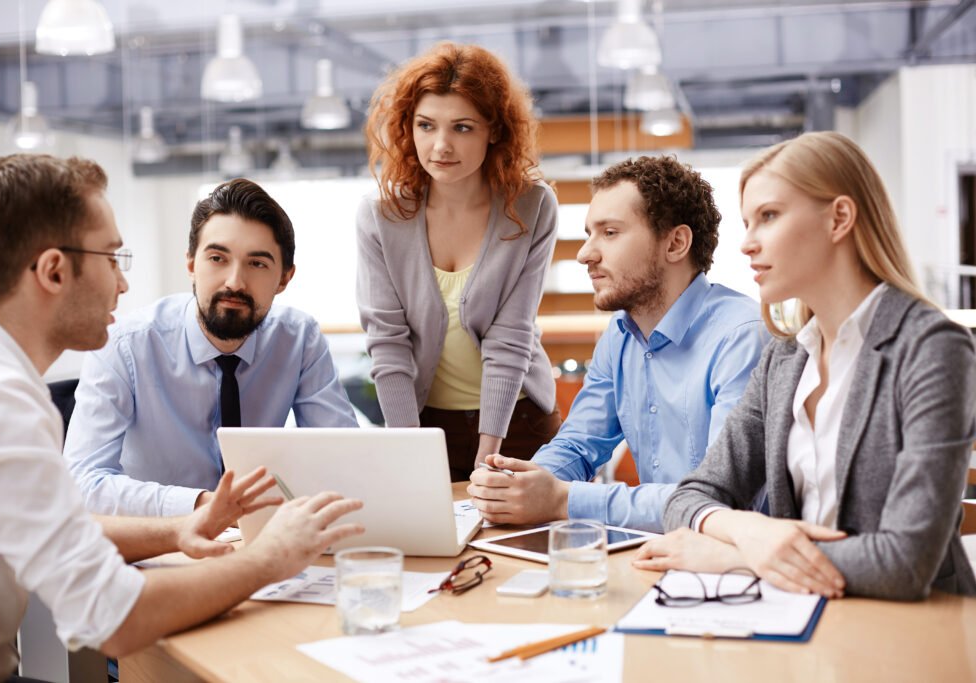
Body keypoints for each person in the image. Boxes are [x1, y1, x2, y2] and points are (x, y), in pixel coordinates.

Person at [0, 154, 364, 682]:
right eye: (111, 258)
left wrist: (178, 530)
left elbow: (64, 525)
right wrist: (269, 559)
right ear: (55, 270)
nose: (122, 285)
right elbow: (114, 617)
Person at [633, 131, 976, 601]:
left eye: (768, 217)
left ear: (839, 218)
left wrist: (740, 558)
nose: (747, 244)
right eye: (748, 222)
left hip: (914, 629)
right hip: (808, 617)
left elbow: (905, 562)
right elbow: (690, 495)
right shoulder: (786, 357)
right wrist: (751, 531)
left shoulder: (932, 348)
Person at [469, 156, 766, 532]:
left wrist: (563, 500)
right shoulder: (621, 334)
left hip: (733, 562)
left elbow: (717, 500)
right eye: (589, 233)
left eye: (609, 233)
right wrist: (520, 484)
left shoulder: (742, 336)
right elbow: (579, 443)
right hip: (659, 549)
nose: (585, 254)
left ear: (675, 243)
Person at [64, 178, 358, 517]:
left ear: (284, 279)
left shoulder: (299, 339)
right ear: (191, 264)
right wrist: (205, 506)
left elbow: (342, 459)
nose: (234, 281)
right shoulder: (125, 345)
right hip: (158, 541)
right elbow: (81, 483)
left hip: (261, 539)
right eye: (218, 258)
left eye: (257, 263)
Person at [357, 42, 561, 482]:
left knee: (522, 549)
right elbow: (387, 343)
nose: (441, 145)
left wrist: (489, 457)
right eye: (426, 125)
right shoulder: (381, 215)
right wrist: (408, 448)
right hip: (423, 426)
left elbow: (512, 334)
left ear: (494, 130)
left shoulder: (531, 204)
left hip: (518, 423)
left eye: (463, 127)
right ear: (407, 127)